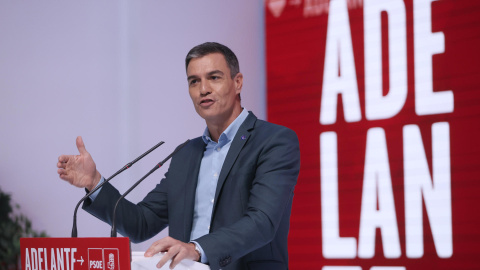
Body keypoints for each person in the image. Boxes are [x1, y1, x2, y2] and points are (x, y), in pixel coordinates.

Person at [57, 42, 300, 270]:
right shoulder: (187, 154)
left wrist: (197, 248)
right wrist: (94, 182)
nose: (203, 89)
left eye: (214, 77)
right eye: (194, 81)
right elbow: (142, 223)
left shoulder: (274, 141)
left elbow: (262, 222)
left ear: (238, 82)